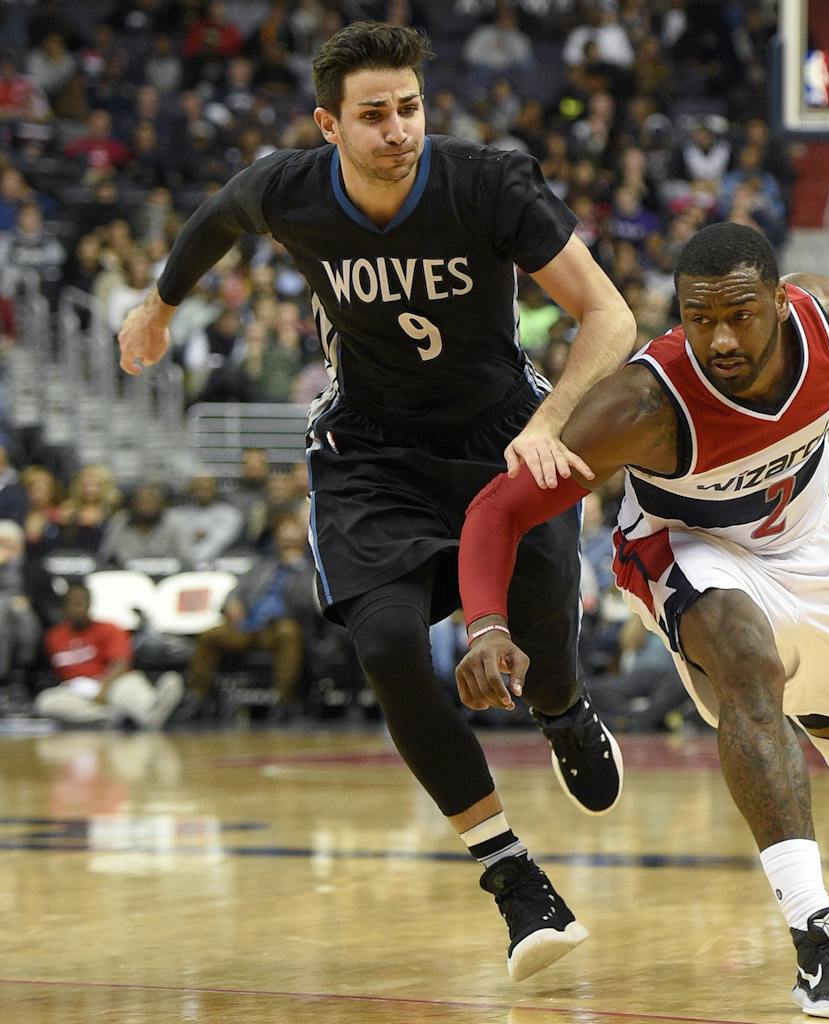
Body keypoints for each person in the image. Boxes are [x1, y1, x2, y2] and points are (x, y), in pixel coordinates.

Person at [116, 22, 637, 981]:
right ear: (329, 124)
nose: (399, 129)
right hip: (372, 455)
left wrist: (554, 420)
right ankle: (514, 878)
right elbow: (217, 219)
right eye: (374, 115)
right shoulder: (292, 190)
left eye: (410, 108)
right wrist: (159, 303)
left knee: (547, 665)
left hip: (503, 440)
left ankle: (565, 715)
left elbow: (609, 312)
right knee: (390, 643)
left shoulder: (488, 183)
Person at [454, 223, 829, 1019]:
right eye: (698, 317)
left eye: (740, 315)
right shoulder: (642, 405)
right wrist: (485, 625)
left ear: (782, 305)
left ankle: (779, 711)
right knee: (747, 661)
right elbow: (496, 510)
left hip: (813, 549)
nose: (718, 337)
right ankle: (818, 939)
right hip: (692, 551)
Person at [183, 515, 314, 722]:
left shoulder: (309, 568)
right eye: (282, 537)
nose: (286, 541)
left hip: (278, 627)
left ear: (303, 538)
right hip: (248, 626)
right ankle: (198, 698)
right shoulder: (263, 564)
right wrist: (232, 604)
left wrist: (296, 566)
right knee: (210, 635)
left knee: (288, 632)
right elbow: (235, 591)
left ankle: (285, 702)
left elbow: (309, 603)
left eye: (291, 536)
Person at [37, 582, 184, 729]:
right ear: (63, 607)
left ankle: (150, 712)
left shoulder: (109, 628)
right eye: (73, 603)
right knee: (46, 702)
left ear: (90, 604)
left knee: (128, 688)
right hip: (79, 691)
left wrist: (103, 689)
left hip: (112, 682)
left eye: (81, 602)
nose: (78, 607)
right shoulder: (54, 637)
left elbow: (121, 663)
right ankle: (113, 717)